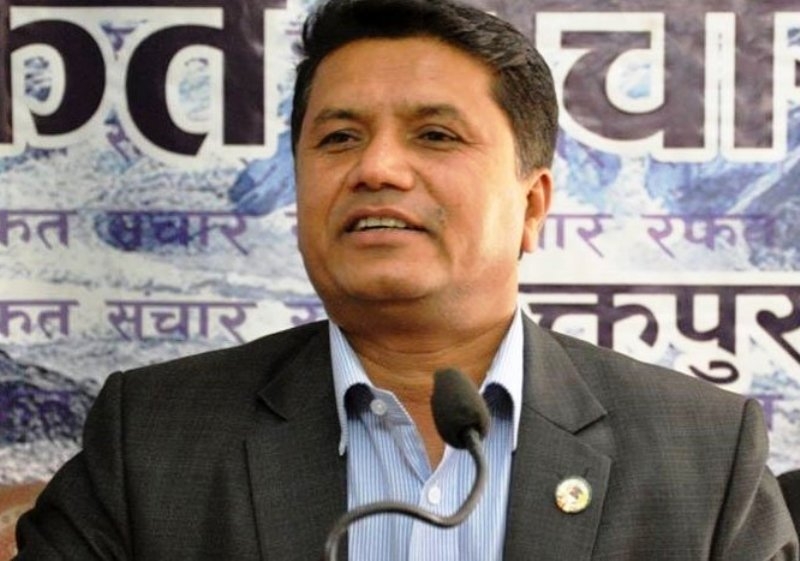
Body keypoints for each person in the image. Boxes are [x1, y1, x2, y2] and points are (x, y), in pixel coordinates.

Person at [13, 0, 799, 559]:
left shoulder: (702, 453)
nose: (378, 168)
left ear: (531, 205)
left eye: (435, 134)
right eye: (339, 137)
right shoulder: (155, 436)